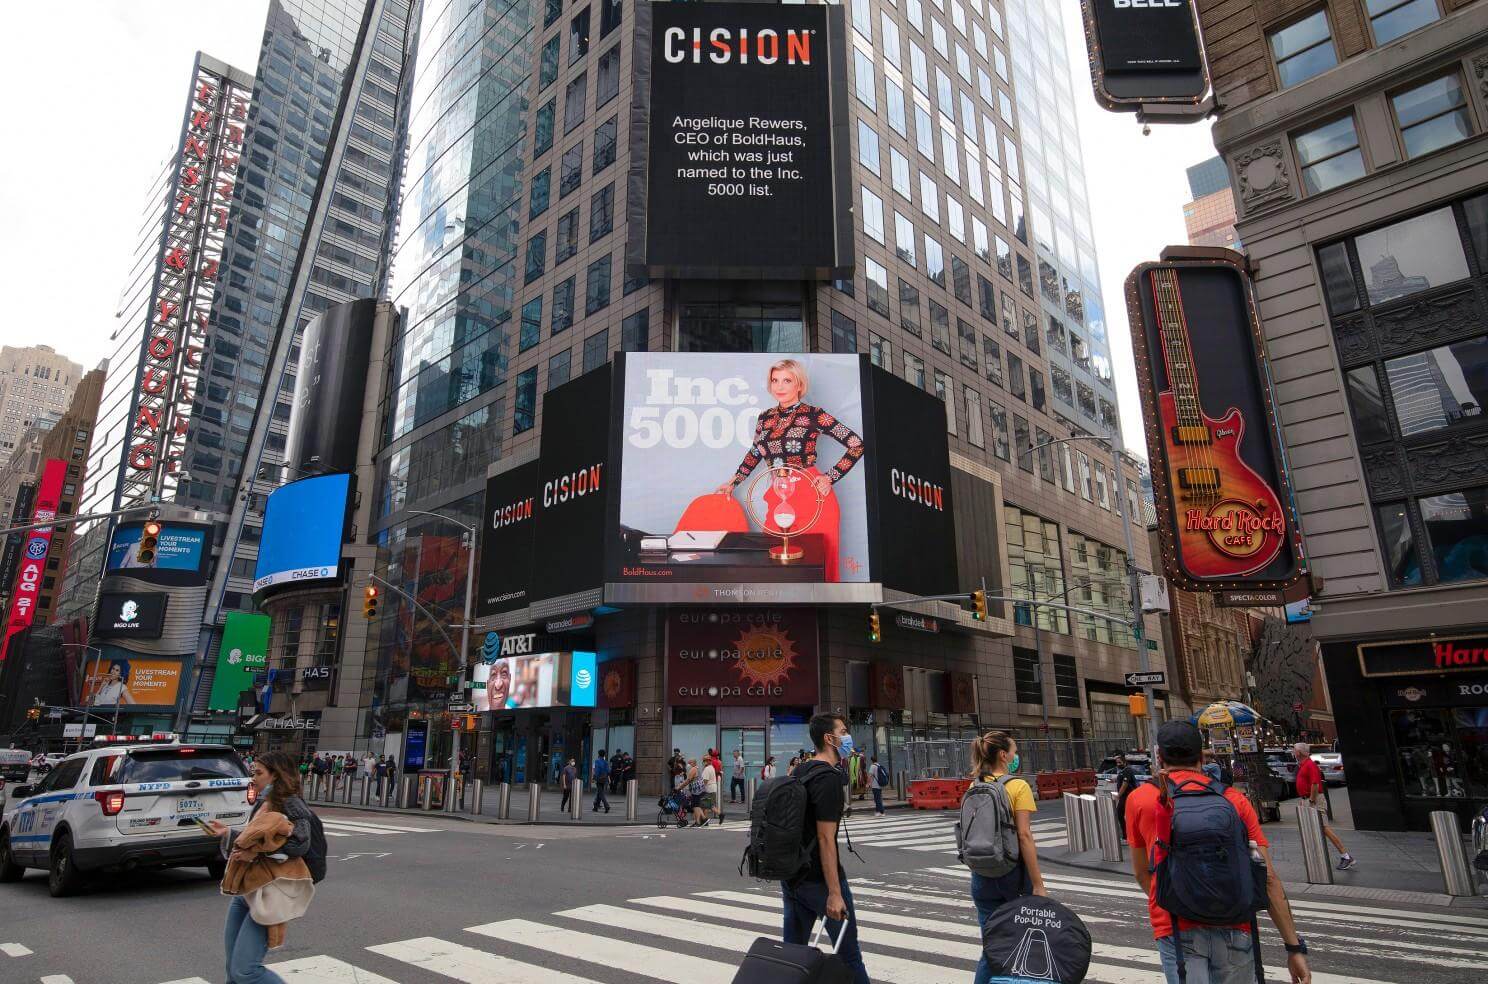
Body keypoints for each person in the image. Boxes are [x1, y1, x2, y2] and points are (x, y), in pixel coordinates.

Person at [1128, 722, 1311, 984]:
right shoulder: (1235, 800)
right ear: (1202, 756)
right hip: (1234, 922)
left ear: (1159, 757)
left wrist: (1178, 896)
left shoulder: (1141, 799)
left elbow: (1142, 873)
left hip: (1175, 925)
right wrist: (1294, 947)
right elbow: (1268, 878)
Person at [714, 359, 866, 582]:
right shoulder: (764, 418)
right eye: (775, 380)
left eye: (787, 380)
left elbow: (856, 444)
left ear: (799, 384)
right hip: (779, 494)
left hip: (813, 497)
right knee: (775, 565)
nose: (779, 386)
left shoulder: (814, 414)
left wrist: (829, 477)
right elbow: (756, 452)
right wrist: (733, 482)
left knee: (817, 567)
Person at [207, 751, 315, 984]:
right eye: (252, 772)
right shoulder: (264, 802)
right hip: (247, 888)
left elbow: (300, 843)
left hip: (269, 889)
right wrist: (228, 833)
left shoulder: (291, 803)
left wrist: (257, 852)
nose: (253, 777)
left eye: (258, 773)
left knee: (245, 971)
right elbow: (258, 838)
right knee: (233, 970)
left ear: (275, 775)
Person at [780, 713, 869, 984]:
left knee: (793, 957)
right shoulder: (829, 778)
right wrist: (835, 893)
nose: (847, 737)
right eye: (843, 732)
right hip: (820, 881)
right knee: (849, 957)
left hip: (793, 878)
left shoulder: (800, 770)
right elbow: (825, 839)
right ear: (829, 738)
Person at [964, 731, 1046, 984]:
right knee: (1019, 947)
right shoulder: (1018, 786)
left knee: (991, 948)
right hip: (1012, 876)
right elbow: (1024, 836)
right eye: (1013, 751)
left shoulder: (975, 786)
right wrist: (1038, 883)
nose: (1015, 756)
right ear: (1003, 755)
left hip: (981, 874)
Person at [1294, 742, 1354, 870]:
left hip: (1314, 800)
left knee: (1323, 827)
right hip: (1308, 799)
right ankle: (1320, 856)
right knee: (1317, 828)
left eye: (1294, 750)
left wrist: (1311, 800)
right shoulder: (1304, 765)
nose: (1293, 752)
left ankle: (1346, 856)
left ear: (1299, 752)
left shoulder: (1310, 765)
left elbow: (1315, 784)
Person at [702, 753, 722, 824]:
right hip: (712, 788)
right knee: (710, 805)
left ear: (707, 761)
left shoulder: (707, 769)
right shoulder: (711, 767)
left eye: (704, 761)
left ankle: (705, 821)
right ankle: (720, 814)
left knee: (705, 805)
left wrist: (701, 788)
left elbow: (705, 780)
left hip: (708, 789)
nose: (703, 762)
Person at [592, 750, 611, 814]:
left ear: (599, 754)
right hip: (604, 779)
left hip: (599, 779)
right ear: (604, 755)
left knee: (601, 793)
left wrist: (594, 778)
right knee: (599, 792)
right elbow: (608, 771)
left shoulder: (597, 761)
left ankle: (606, 805)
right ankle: (595, 807)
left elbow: (596, 771)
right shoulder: (606, 762)